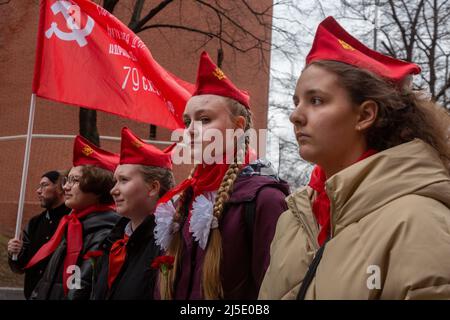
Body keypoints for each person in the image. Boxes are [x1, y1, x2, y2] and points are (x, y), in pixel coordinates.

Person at [259, 16, 450, 300]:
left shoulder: (419, 221)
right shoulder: (293, 220)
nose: (295, 115)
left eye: (316, 100)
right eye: (296, 101)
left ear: (364, 115)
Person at [154, 51, 290, 300]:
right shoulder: (188, 195)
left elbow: (275, 293)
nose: (190, 131)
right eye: (187, 122)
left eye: (204, 120)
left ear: (238, 127)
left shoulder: (265, 198)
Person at [28, 135, 121, 300]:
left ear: (97, 187)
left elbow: (81, 289)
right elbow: (46, 281)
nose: (65, 187)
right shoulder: (72, 224)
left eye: (74, 180)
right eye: (66, 180)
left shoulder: (103, 234)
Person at [91, 127, 175, 300]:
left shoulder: (171, 245)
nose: (113, 190)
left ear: (153, 187)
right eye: (115, 181)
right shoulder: (113, 240)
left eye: (124, 180)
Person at [7, 170, 71, 299]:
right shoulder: (34, 223)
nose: (38, 191)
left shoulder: (73, 220)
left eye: (44, 185)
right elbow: (20, 268)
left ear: (60, 188)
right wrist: (15, 253)